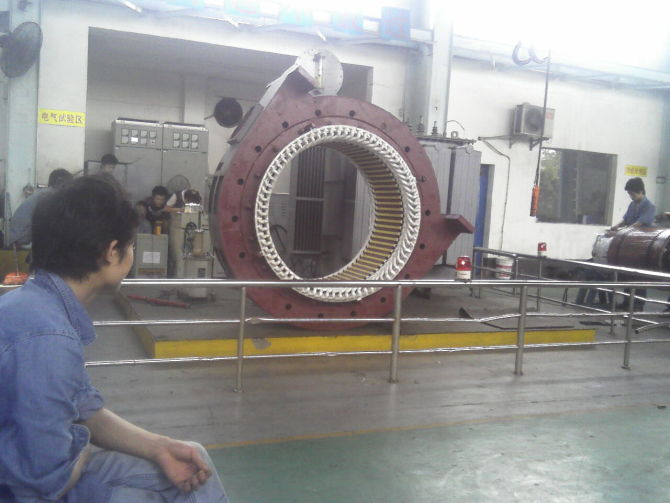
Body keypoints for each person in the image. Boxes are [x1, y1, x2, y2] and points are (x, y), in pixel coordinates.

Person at [0, 175, 228, 502]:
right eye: (130, 245)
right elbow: (47, 482)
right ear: (111, 252)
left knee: (191, 458)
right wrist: (81, 445)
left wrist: (159, 447)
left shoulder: (33, 306)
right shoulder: (49, 339)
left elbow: (85, 409)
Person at [609, 177, 655, 310]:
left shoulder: (649, 206)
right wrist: (616, 226)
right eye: (629, 194)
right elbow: (626, 219)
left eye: (632, 194)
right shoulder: (632, 204)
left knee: (639, 276)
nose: (631, 196)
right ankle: (627, 302)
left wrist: (622, 232)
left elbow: (638, 223)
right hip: (629, 243)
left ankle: (638, 305)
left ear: (641, 191)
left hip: (641, 245)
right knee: (627, 274)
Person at [5, 168, 73, 247]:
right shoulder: (49, 195)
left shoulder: (45, 193)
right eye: (69, 184)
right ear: (60, 182)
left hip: (18, 236)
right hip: (19, 238)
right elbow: (50, 223)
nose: (70, 188)